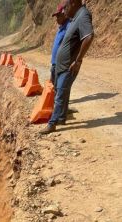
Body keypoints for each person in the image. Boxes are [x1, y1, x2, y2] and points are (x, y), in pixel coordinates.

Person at [40, 0, 94, 134]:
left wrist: (78, 60)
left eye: (66, 7)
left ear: (74, 3)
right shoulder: (75, 17)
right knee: (60, 92)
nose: (64, 11)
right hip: (61, 66)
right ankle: (62, 118)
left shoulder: (83, 15)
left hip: (68, 67)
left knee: (60, 96)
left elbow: (89, 36)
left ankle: (52, 124)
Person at [51, 1, 70, 88]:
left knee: (58, 86)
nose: (57, 18)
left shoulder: (68, 26)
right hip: (55, 62)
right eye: (56, 16)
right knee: (53, 84)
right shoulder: (62, 26)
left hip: (60, 63)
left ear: (64, 14)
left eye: (58, 16)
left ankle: (58, 100)